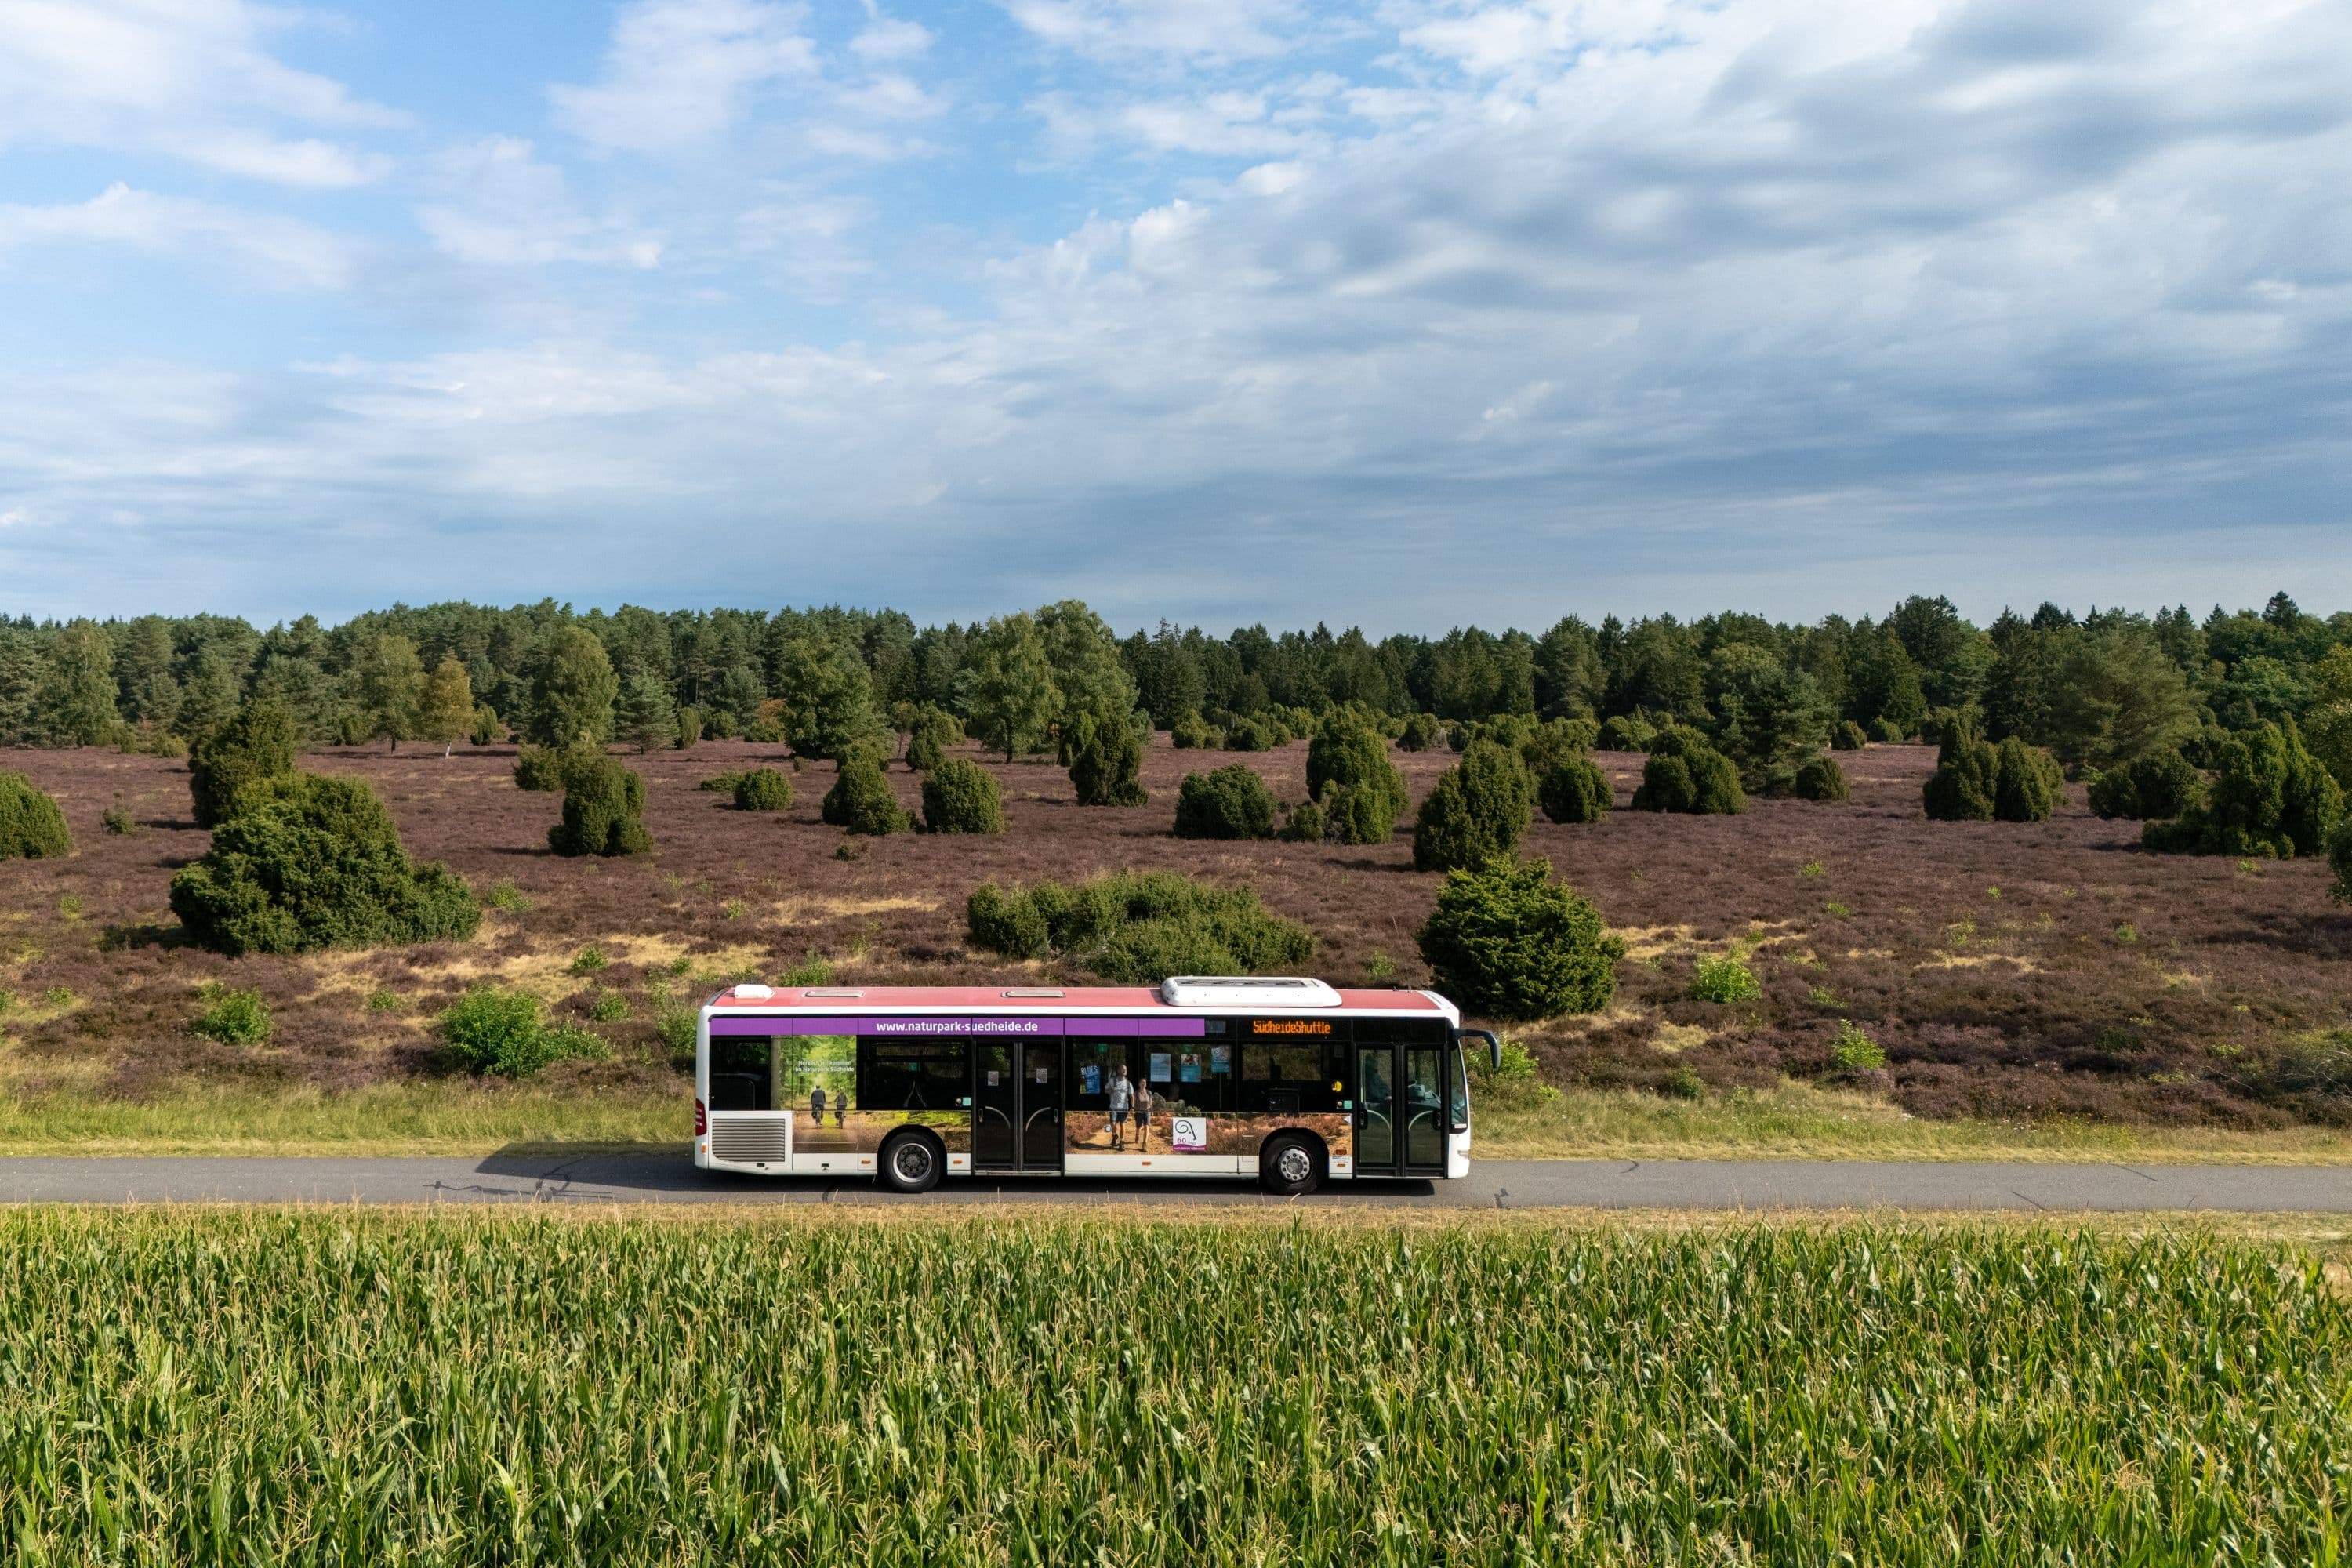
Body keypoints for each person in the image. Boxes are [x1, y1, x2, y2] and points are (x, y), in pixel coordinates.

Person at [1108, 1065, 1132, 1150]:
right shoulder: (1112, 1080)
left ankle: (1122, 1142)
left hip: (1124, 1108)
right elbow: (1106, 1090)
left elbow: (1131, 1095)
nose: (1125, 1070)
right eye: (1123, 1069)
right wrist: (1111, 1090)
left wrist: (1132, 1107)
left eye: (1126, 1069)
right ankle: (1115, 1135)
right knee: (1113, 1124)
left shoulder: (1128, 1083)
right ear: (1119, 1071)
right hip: (1113, 1107)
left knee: (1122, 1125)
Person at [1133, 1080, 1154, 1152]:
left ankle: (1144, 1144)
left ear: (1146, 1084)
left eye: (1144, 1083)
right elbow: (1134, 1103)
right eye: (1142, 1082)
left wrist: (1152, 1111)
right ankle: (1137, 1135)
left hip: (1147, 1112)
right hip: (1138, 1112)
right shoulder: (1136, 1093)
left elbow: (1150, 1103)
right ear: (1139, 1084)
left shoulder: (1149, 1093)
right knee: (1138, 1127)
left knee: (1146, 1126)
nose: (1143, 1084)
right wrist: (1134, 1109)